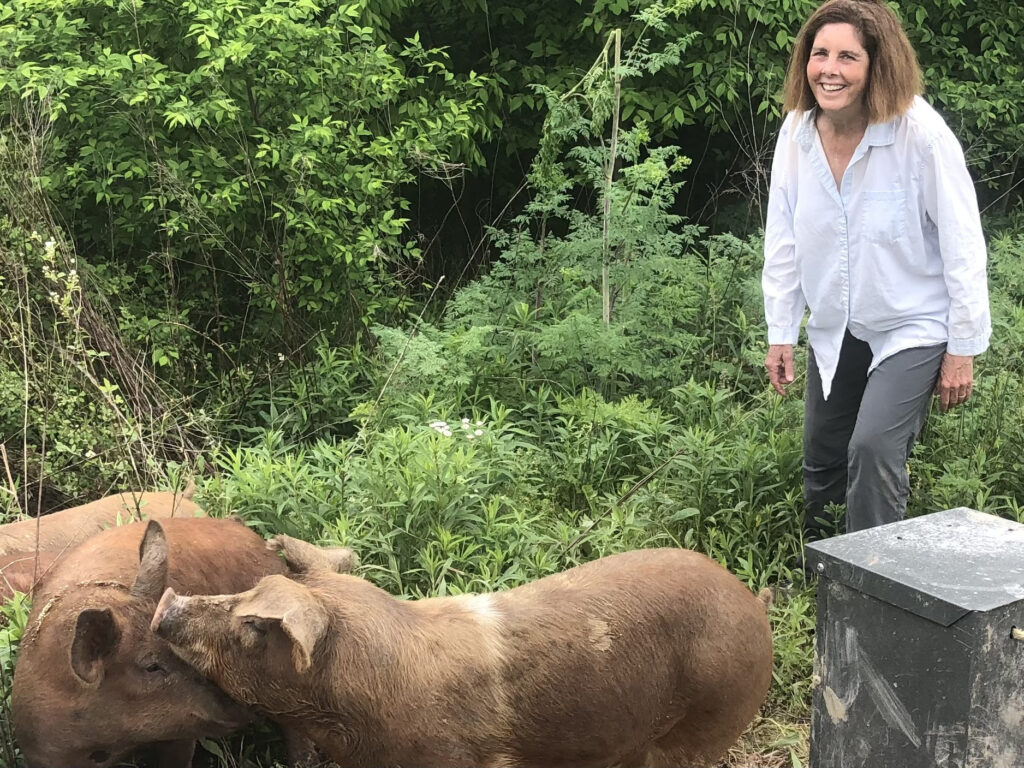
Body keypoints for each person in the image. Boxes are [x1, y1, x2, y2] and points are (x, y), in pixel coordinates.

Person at [761, 0, 991, 541]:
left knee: (872, 448)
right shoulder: (796, 131)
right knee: (822, 456)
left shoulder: (920, 134)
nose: (829, 70)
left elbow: (963, 244)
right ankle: (821, 582)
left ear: (877, 65)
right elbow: (784, 239)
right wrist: (780, 332)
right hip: (836, 320)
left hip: (912, 322)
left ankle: (874, 588)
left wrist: (963, 347)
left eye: (848, 57)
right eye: (819, 54)